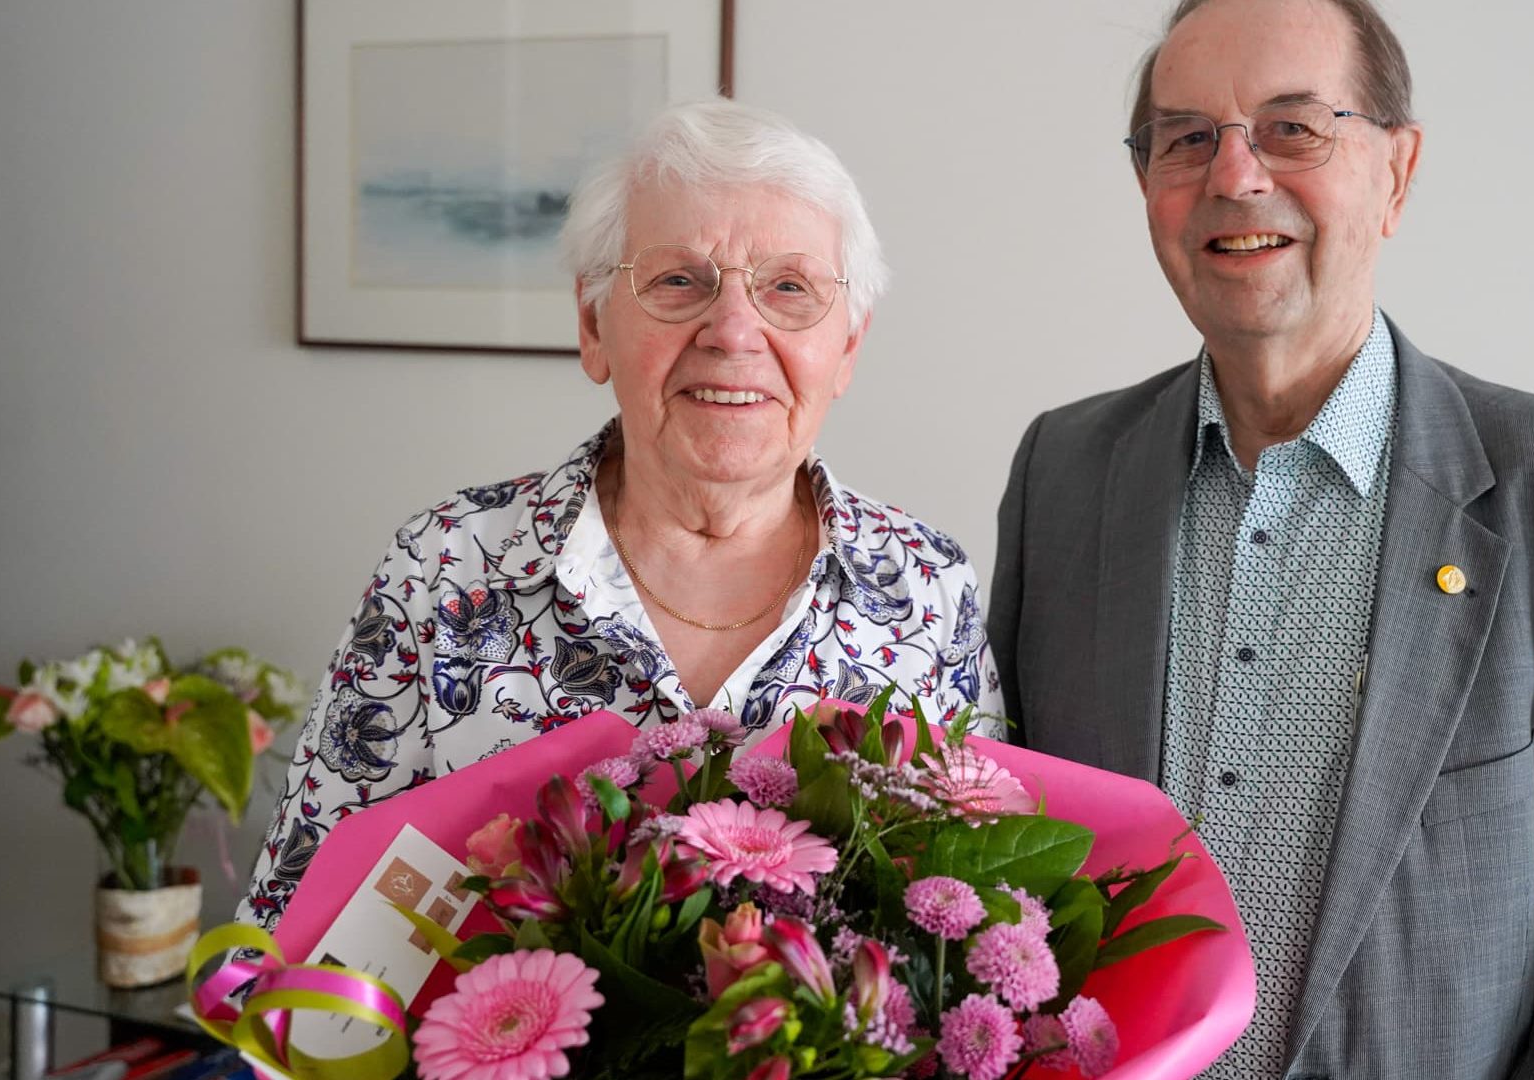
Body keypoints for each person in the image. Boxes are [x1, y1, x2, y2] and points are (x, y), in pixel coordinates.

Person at [986, 1, 1534, 1076]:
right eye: (1186, 137)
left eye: (1294, 128)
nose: (1235, 176)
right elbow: (1007, 881)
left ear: (1398, 169)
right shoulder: (1062, 478)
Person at [242, 101, 1001, 929]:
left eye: (790, 287)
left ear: (847, 346)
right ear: (592, 322)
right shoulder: (448, 567)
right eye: (679, 281)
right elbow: (290, 929)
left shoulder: (926, 586)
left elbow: (979, 909)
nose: (734, 331)